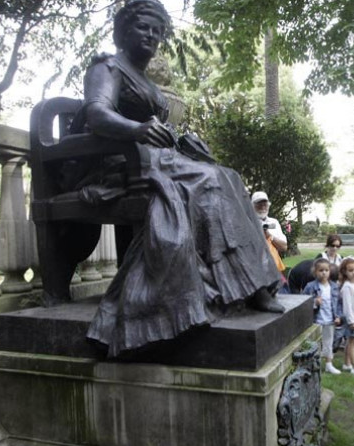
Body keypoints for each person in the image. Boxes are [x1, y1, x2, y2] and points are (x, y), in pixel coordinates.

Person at [84, 0, 282, 357]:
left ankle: (255, 282)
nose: (151, 35)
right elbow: (97, 115)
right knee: (209, 182)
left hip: (159, 157)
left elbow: (162, 130)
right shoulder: (108, 67)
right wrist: (138, 129)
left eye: (157, 31)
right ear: (124, 30)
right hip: (123, 162)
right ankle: (241, 287)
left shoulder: (145, 78)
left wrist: (183, 140)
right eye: (144, 27)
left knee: (229, 178)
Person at [303, 258, 342, 374]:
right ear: (315, 272)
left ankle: (329, 364)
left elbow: (338, 303)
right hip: (316, 320)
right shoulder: (310, 286)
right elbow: (303, 302)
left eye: (326, 270)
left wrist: (338, 316)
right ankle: (315, 364)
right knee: (316, 343)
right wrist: (315, 302)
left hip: (330, 320)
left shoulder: (334, 286)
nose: (324, 273)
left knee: (329, 342)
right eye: (321, 270)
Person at [252, 191, 288, 273]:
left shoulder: (274, 222)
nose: (262, 207)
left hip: (274, 272)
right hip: (254, 271)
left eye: (265, 204)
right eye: (259, 205)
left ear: (268, 206)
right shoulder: (247, 222)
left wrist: (269, 236)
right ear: (252, 206)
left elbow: (284, 247)